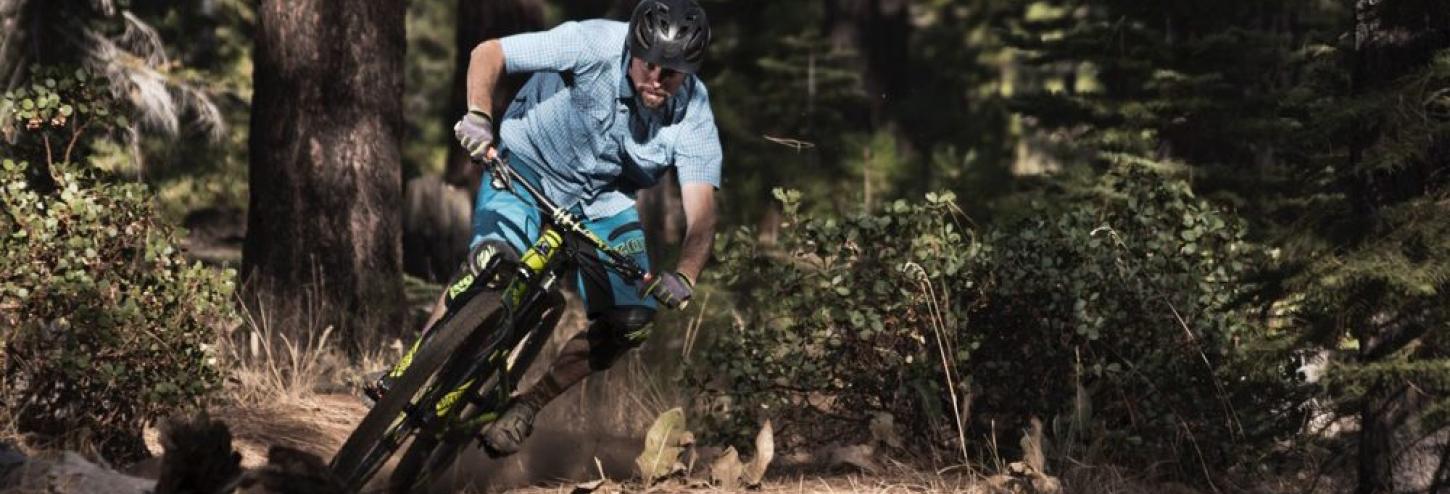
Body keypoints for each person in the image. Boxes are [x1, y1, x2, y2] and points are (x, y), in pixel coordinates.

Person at [447, 0, 720, 457]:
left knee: (630, 322)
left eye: (671, 74)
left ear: (687, 72)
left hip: (602, 203)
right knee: (491, 261)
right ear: (632, 48)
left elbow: (703, 214)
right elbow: (489, 52)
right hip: (526, 165)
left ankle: (526, 407)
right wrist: (479, 115)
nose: (657, 79)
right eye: (649, 65)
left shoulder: (693, 114)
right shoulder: (592, 42)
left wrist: (686, 274)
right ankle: (416, 362)